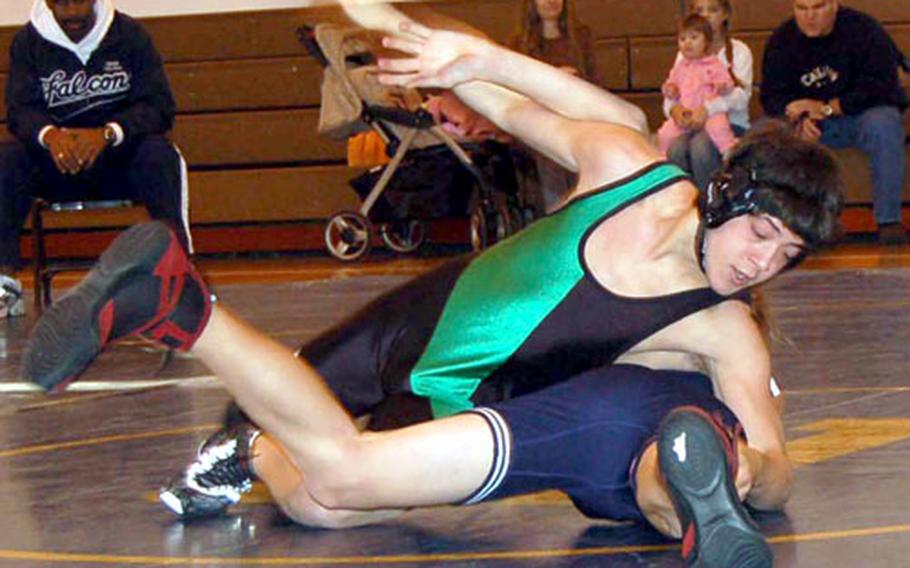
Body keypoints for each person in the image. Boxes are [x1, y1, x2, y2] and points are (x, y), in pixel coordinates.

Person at [21, 7, 843, 567]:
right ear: (725, 197)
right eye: (762, 235)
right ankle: (223, 408)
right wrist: (451, 54)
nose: (762, 264)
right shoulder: (629, 165)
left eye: (788, 256)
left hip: (472, 392)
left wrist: (747, 478)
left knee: (323, 499)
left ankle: (230, 417)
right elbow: (524, 114)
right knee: (310, 438)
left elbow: (770, 455)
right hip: (432, 310)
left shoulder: (721, 325)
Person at [0, 0, 192, 318]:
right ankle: (5, 282)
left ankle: (179, 276)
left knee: (160, 154)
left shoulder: (129, 35)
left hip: (119, 161)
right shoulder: (28, 43)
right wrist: (52, 136)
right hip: (56, 166)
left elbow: (159, 107)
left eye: (80, 1)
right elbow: (19, 112)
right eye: (62, 3)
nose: (73, 13)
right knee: (7, 159)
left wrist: (107, 134)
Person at [760, 0, 908, 245]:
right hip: (807, 123)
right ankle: (782, 227)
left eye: (817, 7)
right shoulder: (782, 40)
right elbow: (771, 96)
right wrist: (797, 115)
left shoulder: (863, 30)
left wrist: (828, 108)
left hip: (857, 117)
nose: (809, 16)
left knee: (885, 123)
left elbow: (882, 87)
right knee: (764, 133)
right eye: (801, 8)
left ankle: (888, 221)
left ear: (834, 5)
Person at [508, 0, 601, 213]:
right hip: (538, 123)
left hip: (577, 118)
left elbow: (595, 85)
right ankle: (559, 218)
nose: (551, 2)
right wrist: (554, 80)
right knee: (550, 154)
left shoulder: (582, 38)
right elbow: (516, 91)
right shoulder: (518, 44)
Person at [665, 0, 754, 191]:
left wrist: (708, 109)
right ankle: (684, 199)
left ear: (725, 14)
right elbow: (673, 91)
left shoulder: (738, 51)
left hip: (729, 124)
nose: (705, 15)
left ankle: (714, 201)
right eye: (699, 10)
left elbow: (741, 98)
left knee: (701, 148)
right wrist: (676, 109)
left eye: (712, 10)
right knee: (675, 149)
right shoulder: (685, 52)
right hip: (690, 125)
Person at [657, 15, 738, 158]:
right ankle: (662, 158)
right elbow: (670, 85)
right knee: (665, 133)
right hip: (686, 113)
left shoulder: (714, 64)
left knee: (719, 126)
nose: (687, 43)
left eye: (693, 38)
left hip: (708, 112)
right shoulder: (680, 66)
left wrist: (722, 86)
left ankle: (728, 150)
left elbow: (727, 83)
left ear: (706, 42)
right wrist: (670, 89)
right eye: (682, 39)